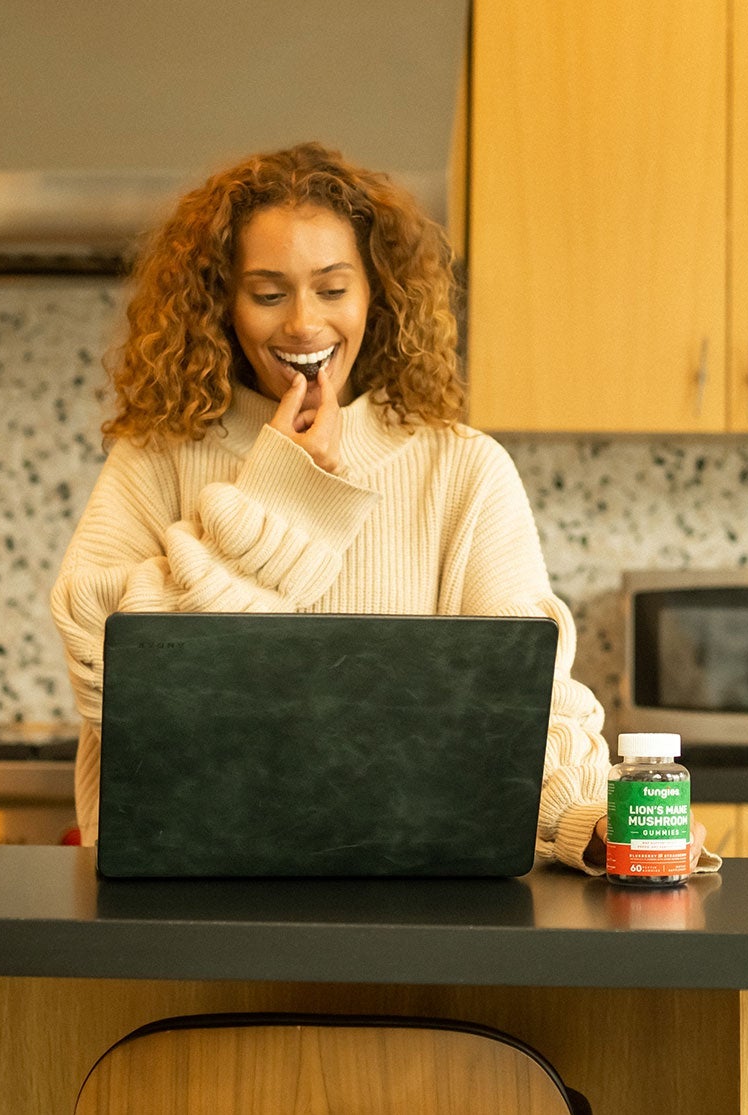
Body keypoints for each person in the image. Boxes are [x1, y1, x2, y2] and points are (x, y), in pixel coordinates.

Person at [50, 142, 708, 874]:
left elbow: (520, 706)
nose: (303, 323)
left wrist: (576, 822)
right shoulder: (157, 455)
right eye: (268, 294)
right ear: (222, 304)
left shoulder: (461, 468)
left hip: (411, 904)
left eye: (332, 289)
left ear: (376, 296)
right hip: (182, 893)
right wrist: (281, 493)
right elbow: (109, 674)